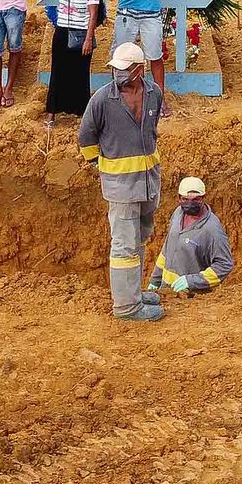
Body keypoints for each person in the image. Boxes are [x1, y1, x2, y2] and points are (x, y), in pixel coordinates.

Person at [77, 42, 166, 322]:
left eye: (124, 69)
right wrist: (101, 165)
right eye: (116, 69)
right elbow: (86, 139)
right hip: (121, 187)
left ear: (139, 70)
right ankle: (126, 307)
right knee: (124, 245)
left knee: (138, 240)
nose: (117, 74)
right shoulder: (102, 100)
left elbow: (151, 133)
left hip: (148, 182)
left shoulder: (154, 94)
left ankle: (133, 293)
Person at [44, 0, 105, 127]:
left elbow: (93, 14)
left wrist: (88, 38)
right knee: (57, 71)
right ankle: (51, 114)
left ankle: (81, 112)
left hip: (81, 32)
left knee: (80, 73)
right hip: (62, 30)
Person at [148, 176, 234, 301]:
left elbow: (224, 265)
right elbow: (168, 249)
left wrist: (192, 281)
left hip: (190, 299)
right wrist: (155, 280)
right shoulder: (178, 214)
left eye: (196, 200)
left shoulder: (212, 230)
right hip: (166, 292)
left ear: (203, 198)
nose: (190, 203)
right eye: (185, 199)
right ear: (179, 198)